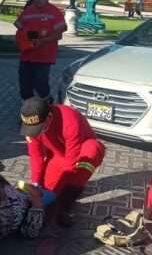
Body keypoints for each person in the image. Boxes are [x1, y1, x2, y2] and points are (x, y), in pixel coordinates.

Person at [20, 97, 105, 226]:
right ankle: (59, 192)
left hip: (81, 152)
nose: (35, 133)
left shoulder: (70, 121)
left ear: (49, 117)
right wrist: (36, 183)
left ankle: (68, 202)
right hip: (59, 155)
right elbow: (35, 155)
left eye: (38, 128)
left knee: (90, 152)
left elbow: (71, 162)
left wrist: (57, 194)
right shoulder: (32, 125)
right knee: (46, 189)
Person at [14, 0, 67, 102]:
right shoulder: (28, 10)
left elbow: (59, 34)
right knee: (25, 89)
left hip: (44, 57)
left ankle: (48, 101)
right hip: (26, 56)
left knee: (41, 86)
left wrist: (42, 40)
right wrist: (25, 39)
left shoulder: (54, 13)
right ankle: (29, 116)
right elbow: (19, 29)